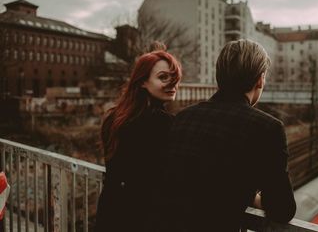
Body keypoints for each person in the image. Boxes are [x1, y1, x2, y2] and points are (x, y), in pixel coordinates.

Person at [161, 39, 296, 231]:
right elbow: (282, 209)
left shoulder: (183, 117)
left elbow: (197, 180)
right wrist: (251, 196)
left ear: (219, 76)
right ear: (260, 79)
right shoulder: (267, 128)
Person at [94, 48, 182, 232]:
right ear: (142, 81)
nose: (172, 83)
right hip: (144, 219)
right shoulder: (164, 123)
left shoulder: (113, 118)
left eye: (174, 78)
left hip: (111, 213)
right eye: (163, 77)